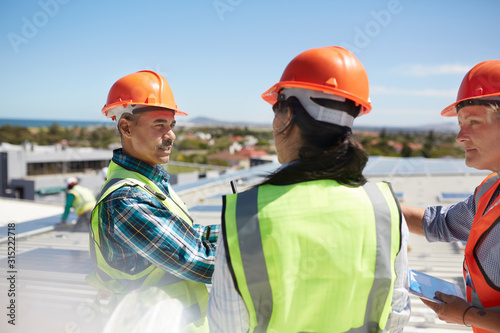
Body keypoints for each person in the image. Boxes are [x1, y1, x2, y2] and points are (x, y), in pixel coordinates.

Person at [207, 46, 410, 332]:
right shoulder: (385, 208)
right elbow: (396, 316)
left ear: (287, 115)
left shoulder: (245, 215)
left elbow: (225, 326)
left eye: (275, 109)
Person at [86, 70, 219, 332]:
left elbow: (191, 237)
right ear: (126, 126)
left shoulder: (150, 185)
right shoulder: (126, 200)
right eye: (159, 125)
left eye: (172, 125)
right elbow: (199, 260)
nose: (171, 136)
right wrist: (275, 253)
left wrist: (249, 230)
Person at [402, 60, 500, 332]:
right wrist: (374, 204)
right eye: (460, 124)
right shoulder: (490, 190)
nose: (459, 136)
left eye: (473, 122)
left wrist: (468, 315)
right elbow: (440, 224)